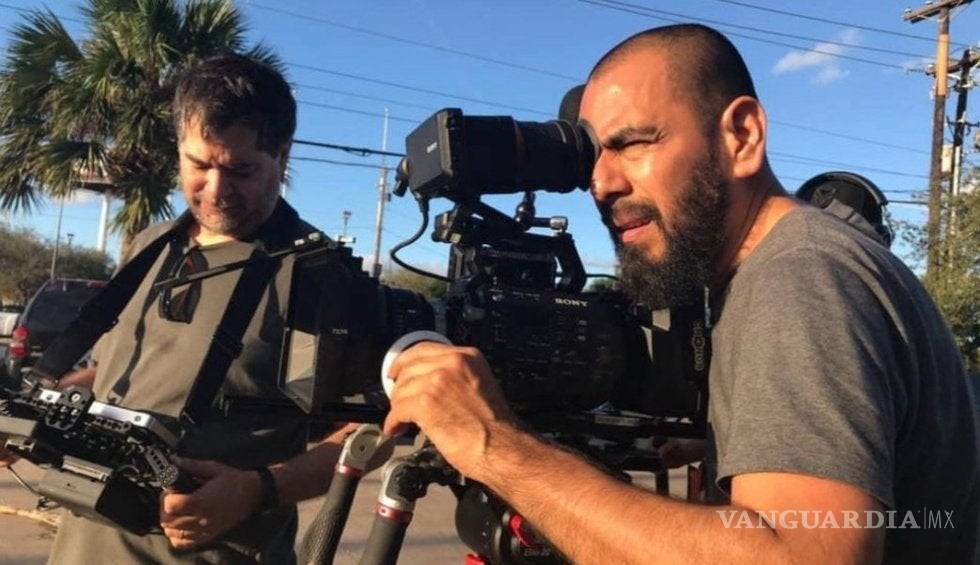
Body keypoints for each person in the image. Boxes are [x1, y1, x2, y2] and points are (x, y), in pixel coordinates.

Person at [383, 24, 979, 564]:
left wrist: (495, 446)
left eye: (633, 143)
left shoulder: (798, 274)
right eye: (594, 155)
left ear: (742, 136)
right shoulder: (804, 259)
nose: (601, 183)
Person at [5, 53, 357, 564]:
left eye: (240, 170)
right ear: (178, 148)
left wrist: (259, 489)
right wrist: (31, 418)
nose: (216, 190)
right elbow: (115, 374)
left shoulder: (320, 272)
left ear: (282, 155)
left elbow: (372, 432)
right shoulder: (148, 244)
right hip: (83, 548)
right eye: (199, 165)